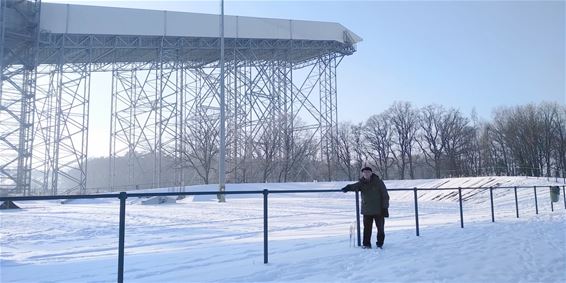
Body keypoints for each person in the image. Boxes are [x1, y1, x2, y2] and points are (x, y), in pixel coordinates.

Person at [341, 166, 389, 249]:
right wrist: (348, 187)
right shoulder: (361, 183)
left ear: (371, 173)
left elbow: (385, 195)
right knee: (367, 229)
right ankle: (366, 244)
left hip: (379, 210)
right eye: (364, 172)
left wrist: (385, 208)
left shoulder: (378, 182)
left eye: (367, 172)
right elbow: (354, 186)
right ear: (363, 174)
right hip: (367, 210)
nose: (366, 174)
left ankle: (380, 244)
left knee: (380, 228)